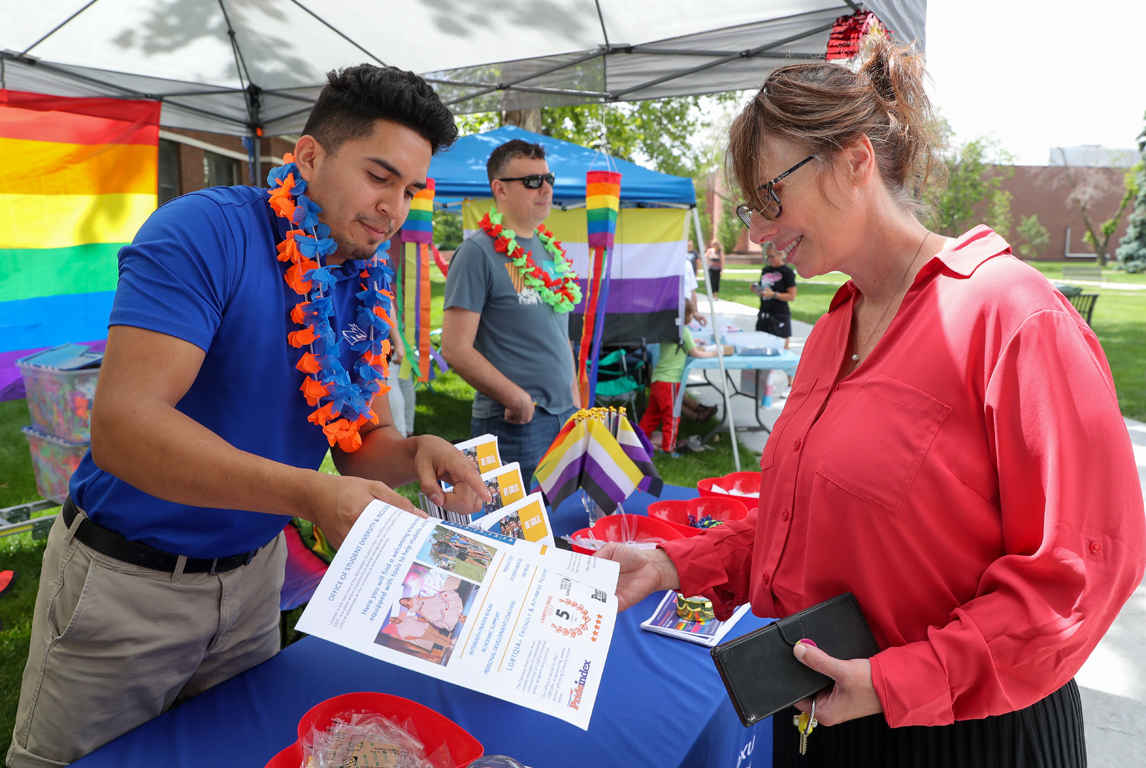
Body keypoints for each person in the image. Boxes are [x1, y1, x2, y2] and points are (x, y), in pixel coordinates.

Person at [599, 36, 1144, 768]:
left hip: (968, 733)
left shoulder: (1013, 316)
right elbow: (804, 520)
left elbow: (1079, 570)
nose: (755, 232)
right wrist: (678, 564)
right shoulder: (833, 328)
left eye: (769, 196)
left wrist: (899, 682)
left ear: (856, 161)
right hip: (830, 711)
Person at [9, 65, 493, 768]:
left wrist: (416, 449)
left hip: (255, 583)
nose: (394, 207)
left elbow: (359, 443)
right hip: (130, 583)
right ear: (307, 157)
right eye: (379, 176)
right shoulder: (203, 232)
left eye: (410, 189)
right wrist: (310, 493)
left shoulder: (363, 273)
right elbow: (123, 429)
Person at [441, 140, 580, 486]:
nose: (545, 187)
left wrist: (576, 401)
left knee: (561, 525)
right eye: (532, 181)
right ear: (500, 189)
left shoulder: (549, 249)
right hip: (515, 421)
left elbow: (558, 334)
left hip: (564, 415)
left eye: (548, 178)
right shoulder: (477, 253)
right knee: (517, 535)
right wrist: (515, 398)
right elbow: (455, 348)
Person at [639, 299, 732, 456]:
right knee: (672, 417)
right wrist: (714, 352)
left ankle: (638, 441)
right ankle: (668, 449)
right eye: (690, 313)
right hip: (669, 381)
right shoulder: (685, 332)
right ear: (686, 316)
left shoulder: (665, 330)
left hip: (657, 380)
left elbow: (678, 346)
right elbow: (696, 353)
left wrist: (691, 343)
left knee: (652, 414)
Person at [752, 241, 797, 349]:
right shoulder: (766, 270)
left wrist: (773, 294)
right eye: (768, 257)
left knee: (783, 347)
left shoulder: (787, 272)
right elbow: (764, 290)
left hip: (779, 314)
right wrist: (757, 290)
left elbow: (792, 296)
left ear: (780, 254)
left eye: (772, 256)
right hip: (764, 312)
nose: (770, 259)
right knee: (762, 346)